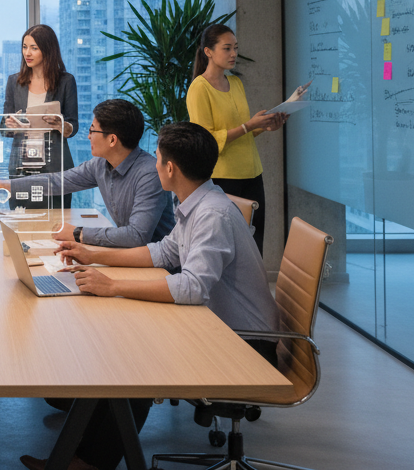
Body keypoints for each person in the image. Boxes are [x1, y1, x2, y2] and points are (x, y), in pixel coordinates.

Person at [18, 122, 280, 470]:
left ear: (170, 168)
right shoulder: (197, 202)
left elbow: (192, 286)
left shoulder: (211, 214)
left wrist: (112, 286)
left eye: (157, 158)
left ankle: (90, 462)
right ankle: (79, 445)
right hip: (217, 326)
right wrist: (91, 254)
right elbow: (161, 253)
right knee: (119, 342)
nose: (153, 164)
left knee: (135, 358)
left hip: (245, 345)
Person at [184, 24, 286, 254]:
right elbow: (205, 140)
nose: (233, 54)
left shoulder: (236, 83)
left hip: (252, 173)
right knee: (227, 246)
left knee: (254, 244)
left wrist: (264, 125)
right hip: (223, 177)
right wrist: (248, 125)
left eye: (236, 48)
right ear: (208, 52)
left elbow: (243, 131)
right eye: (227, 48)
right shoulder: (199, 88)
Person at [37, 98, 174, 248]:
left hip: (156, 261)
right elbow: (56, 182)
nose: (89, 136)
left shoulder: (149, 174)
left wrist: (78, 233)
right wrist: (14, 186)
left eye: (92, 130)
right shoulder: (100, 164)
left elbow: (136, 236)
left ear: (112, 140)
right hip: (128, 254)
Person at [1, 24, 78, 208]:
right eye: (24, 47)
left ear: (48, 50)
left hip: (55, 165)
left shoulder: (66, 81)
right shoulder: (14, 81)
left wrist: (60, 124)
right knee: (20, 217)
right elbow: (3, 127)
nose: (27, 53)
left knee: (56, 217)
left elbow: (73, 125)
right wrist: (10, 125)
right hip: (22, 164)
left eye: (34, 48)